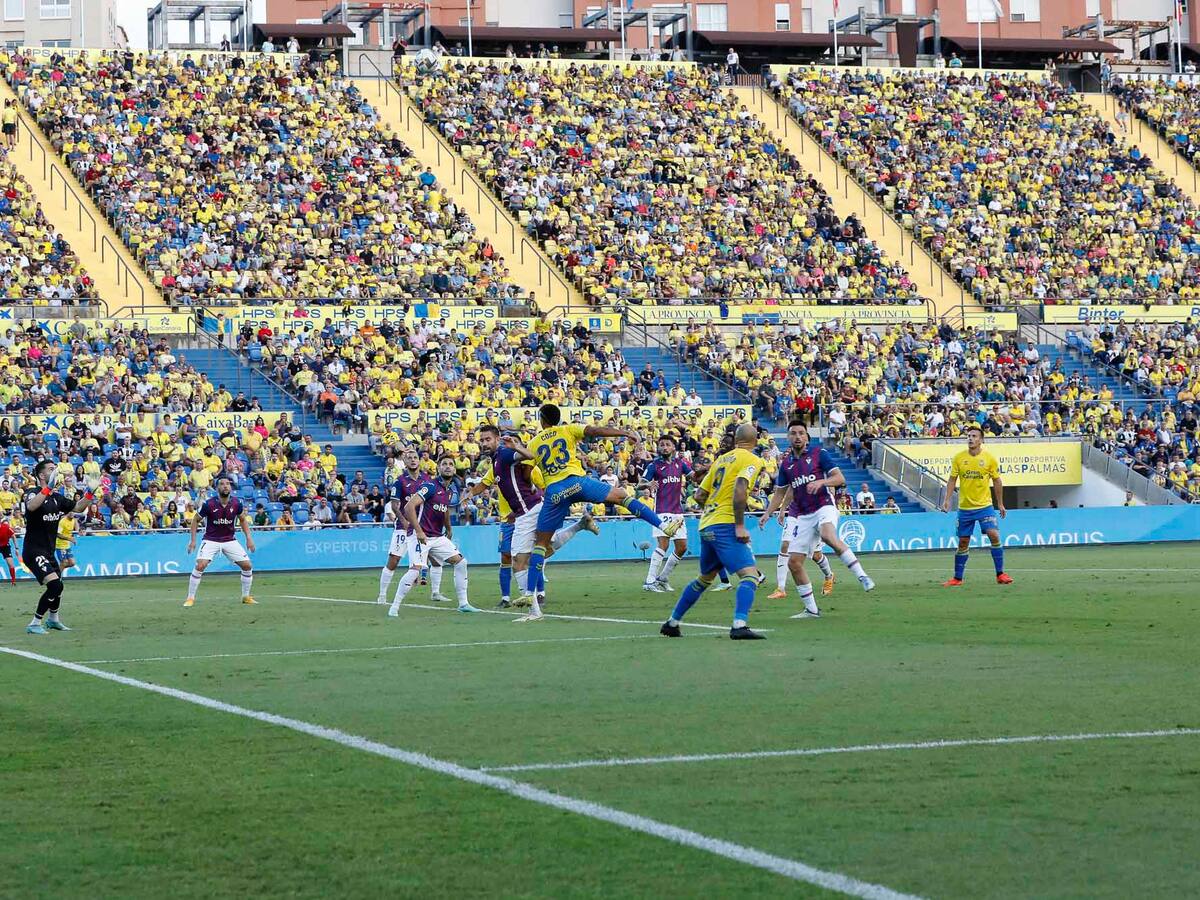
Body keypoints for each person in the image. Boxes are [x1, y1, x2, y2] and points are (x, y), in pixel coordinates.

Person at [512, 404, 681, 604]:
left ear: (542, 419)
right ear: (557, 419)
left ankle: (530, 594)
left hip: (555, 493)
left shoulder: (533, 442)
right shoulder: (567, 429)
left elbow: (525, 473)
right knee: (621, 496)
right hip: (576, 483)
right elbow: (594, 431)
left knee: (540, 545)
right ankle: (663, 526)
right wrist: (624, 433)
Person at [469, 425, 598, 613]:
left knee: (520, 561)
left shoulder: (505, 455)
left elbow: (531, 459)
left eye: (488, 439)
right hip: (522, 513)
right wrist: (469, 493)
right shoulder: (496, 462)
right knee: (540, 551)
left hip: (529, 512)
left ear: (497, 439)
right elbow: (486, 483)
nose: (484, 443)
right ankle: (580, 525)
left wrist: (516, 448)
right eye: (482, 440)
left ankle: (533, 609)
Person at [759, 421, 875, 620]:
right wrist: (768, 512)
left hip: (823, 506)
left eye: (801, 433)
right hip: (802, 515)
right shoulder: (786, 464)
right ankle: (811, 610)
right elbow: (780, 493)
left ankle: (862, 576)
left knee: (828, 535)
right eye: (793, 433)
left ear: (806, 437)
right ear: (788, 437)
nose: (797, 436)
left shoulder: (819, 454)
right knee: (794, 563)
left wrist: (822, 481)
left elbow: (840, 478)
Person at [660, 423, 765, 640]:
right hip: (726, 524)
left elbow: (699, 495)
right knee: (750, 576)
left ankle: (672, 623)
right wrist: (739, 525)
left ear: (736, 440)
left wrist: (714, 507)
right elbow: (740, 489)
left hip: (706, 524)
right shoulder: (753, 460)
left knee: (704, 579)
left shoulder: (720, 461)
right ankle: (739, 625)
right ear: (755, 441)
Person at [388, 456, 480, 616]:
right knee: (416, 569)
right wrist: (418, 530)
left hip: (436, 536)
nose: (448, 466)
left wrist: (449, 528)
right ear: (438, 468)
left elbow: (443, 510)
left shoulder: (449, 490)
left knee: (461, 562)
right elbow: (409, 506)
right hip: (419, 535)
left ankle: (463, 603)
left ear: (454, 469)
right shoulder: (430, 486)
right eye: (444, 464)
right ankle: (394, 607)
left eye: (451, 464)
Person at [762, 426, 838, 603]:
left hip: (815, 509)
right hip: (796, 511)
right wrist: (781, 510)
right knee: (785, 546)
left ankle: (829, 575)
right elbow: (788, 490)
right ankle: (781, 588)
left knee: (815, 554)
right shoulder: (788, 464)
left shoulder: (817, 458)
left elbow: (831, 483)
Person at [22, 460, 92, 634]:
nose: (55, 472)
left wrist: (90, 492)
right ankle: (35, 623)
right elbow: (31, 506)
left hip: (49, 551)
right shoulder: (32, 493)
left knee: (58, 586)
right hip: (34, 551)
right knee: (54, 585)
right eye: (51, 469)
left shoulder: (57, 497)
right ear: (41, 475)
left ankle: (53, 620)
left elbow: (77, 507)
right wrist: (47, 488)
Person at [941, 426, 1012, 587]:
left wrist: (1000, 503)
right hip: (965, 507)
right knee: (963, 542)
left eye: (974, 436)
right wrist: (947, 500)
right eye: (968, 436)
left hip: (984, 506)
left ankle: (1000, 574)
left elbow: (997, 481)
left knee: (993, 535)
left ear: (981, 440)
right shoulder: (959, 458)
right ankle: (957, 578)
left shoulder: (989, 458)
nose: (970, 438)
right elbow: (952, 479)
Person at [184, 476, 257, 607]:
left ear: (230, 487)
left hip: (229, 540)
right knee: (200, 565)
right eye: (222, 484)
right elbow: (195, 520)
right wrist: (193, 541)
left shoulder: (236, 503)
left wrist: (249, 538)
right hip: (211, 540)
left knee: (247, 566)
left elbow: (243, 520)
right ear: (217, 488)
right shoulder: (209, 504)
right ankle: (190, 598)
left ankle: (246, 596)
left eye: (227, 484)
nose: (225, 486)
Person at [638, 433, 695, 592]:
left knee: (682, 547)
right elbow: (639, 485)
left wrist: (704, 471)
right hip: (662, 511)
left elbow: (693, 477)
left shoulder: (680, 464)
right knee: (663, 545)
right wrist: (649, 483)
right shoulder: (653, 466)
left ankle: (662, 578)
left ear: (673, 448)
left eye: (667, 444)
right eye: (661, 444)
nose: (664, 447)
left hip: (678, 512)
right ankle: (649, 581)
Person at [377, 449, 425, 604]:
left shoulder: (426, 480)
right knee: (394, 560)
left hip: (420, 527)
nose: (412, 460)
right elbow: (394, 504)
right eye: (409, 458)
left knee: (417, 564)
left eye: (415, 457)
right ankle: (382, 595)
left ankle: (434, 592)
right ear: (405, 462)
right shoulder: (400, 481)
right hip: (403, 527)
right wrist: (403, 520)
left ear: (419, 460)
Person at [0, 516, 17, 585]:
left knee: (10, 564)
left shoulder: (6, 527)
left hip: (5, 547)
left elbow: (13, 536)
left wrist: (16, 548)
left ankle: (13, 581)